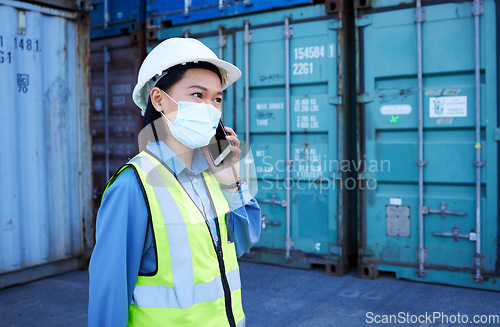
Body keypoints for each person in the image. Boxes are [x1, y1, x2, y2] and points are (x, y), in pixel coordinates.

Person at [88, 37, 261, 327]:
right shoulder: (133, 186)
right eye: (197, 95)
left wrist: (231, 181)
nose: (210, 108)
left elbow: (244, 241)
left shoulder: (210, 175)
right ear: (159, 100)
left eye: (217, 99)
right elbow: (109, 296)